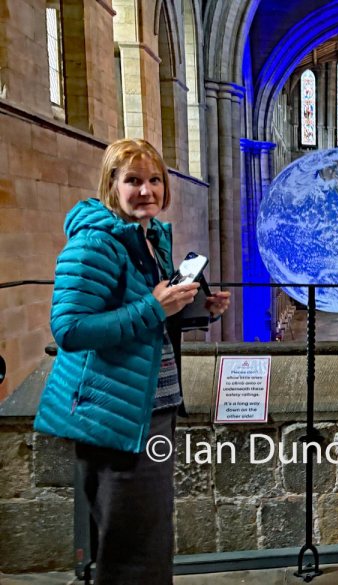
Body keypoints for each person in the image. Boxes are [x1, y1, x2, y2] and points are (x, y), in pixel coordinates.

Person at [34, 138, 230, 584]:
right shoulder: (95, 245)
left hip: (147, 408)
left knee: (148, 536)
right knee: (130, 551)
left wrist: (198, 310)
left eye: (154, 180)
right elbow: (70, 329)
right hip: (114, 415)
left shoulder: (148, 239)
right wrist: (154, 308)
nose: (146, 190)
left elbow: (149, 323)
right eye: (133, 181)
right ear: (111, 185)